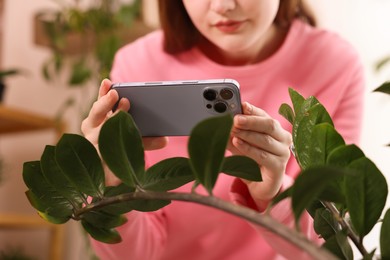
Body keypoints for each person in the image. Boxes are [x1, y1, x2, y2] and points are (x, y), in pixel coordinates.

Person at [81, 0, 365, 259]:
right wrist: (110, 184)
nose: (223, 6)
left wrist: (272, 195)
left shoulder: (336, 64)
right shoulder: (136, 62)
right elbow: (135, 255)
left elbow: (329, 247)